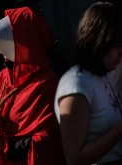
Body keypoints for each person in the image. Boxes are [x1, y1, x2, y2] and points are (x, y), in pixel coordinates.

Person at [0, 6, 65, 165]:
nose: (3, 47)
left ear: (26, 41)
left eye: (10, 39)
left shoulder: (47, 83)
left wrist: (16, 147)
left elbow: (49, 136)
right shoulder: (3, 78)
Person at [54, 2, 122, 165]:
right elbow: (75, 158)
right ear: (99, 41)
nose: (121, 55)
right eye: (118, 48)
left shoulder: (103, 76)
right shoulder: (76, 85)